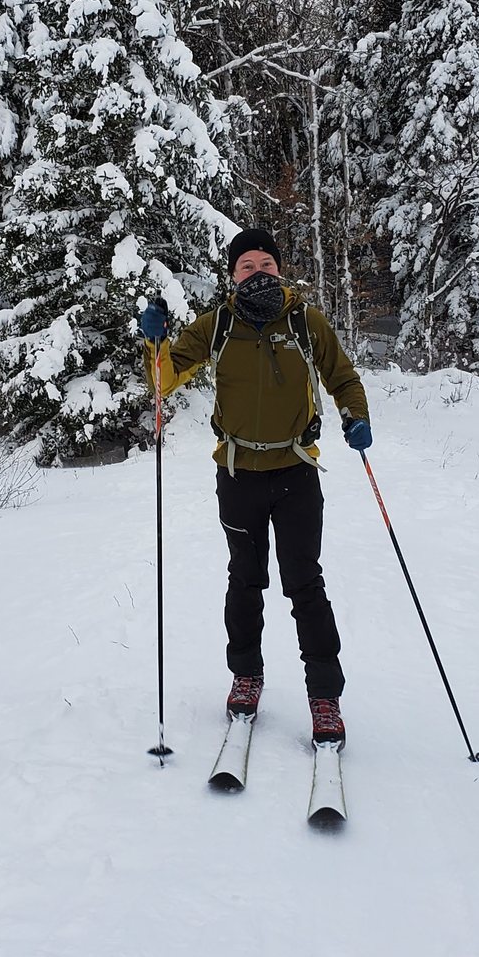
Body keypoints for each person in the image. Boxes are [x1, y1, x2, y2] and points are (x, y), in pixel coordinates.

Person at [138, 227, 372, 748]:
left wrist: (355, 416)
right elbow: (164, 380)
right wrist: (154, 341)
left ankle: (324, 697)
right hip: (239, 474)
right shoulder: (218, 324)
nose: (258, 271)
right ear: (233, 275)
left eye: (267, 263)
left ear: (280, 270)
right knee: (245, 580)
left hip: (296, 474)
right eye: (247, 266)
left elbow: (343, 377)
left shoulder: (306, 322)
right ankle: (246, 676)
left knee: (304, 583)